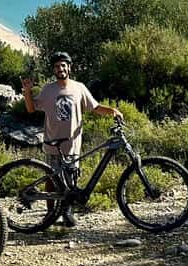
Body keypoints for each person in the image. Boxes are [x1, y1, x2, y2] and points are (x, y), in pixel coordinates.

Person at [21, 51, 123, 227]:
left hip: (73, 143)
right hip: (52, 141)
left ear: (69, 67)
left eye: (63, 65)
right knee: (52, 181)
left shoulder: (79, 87)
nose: (60, 68)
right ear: (53, 69)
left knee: (71, 179)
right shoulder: (48, 89)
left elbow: (95, 107)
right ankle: (50, 213)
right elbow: (31, 109)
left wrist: (113, 111)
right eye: (56, 66)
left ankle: (67, 212)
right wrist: (27, 91)